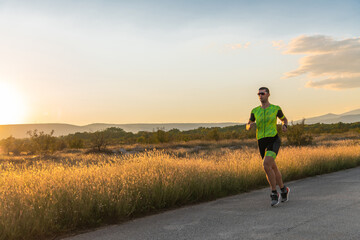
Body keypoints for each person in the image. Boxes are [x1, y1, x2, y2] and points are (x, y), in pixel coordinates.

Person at [246, 87, 290, 206]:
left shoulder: (275, 109)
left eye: (263, 93)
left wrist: (284, 125)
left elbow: (284, 119)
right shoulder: (255, 111)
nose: (260, 96)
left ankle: (274, 193)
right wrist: (249, 126)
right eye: (258, 94)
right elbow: (248, 123)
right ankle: (283, 189)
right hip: (261, 141)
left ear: (268, 94)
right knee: (272, 168)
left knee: (266, 164)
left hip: (273, 139)